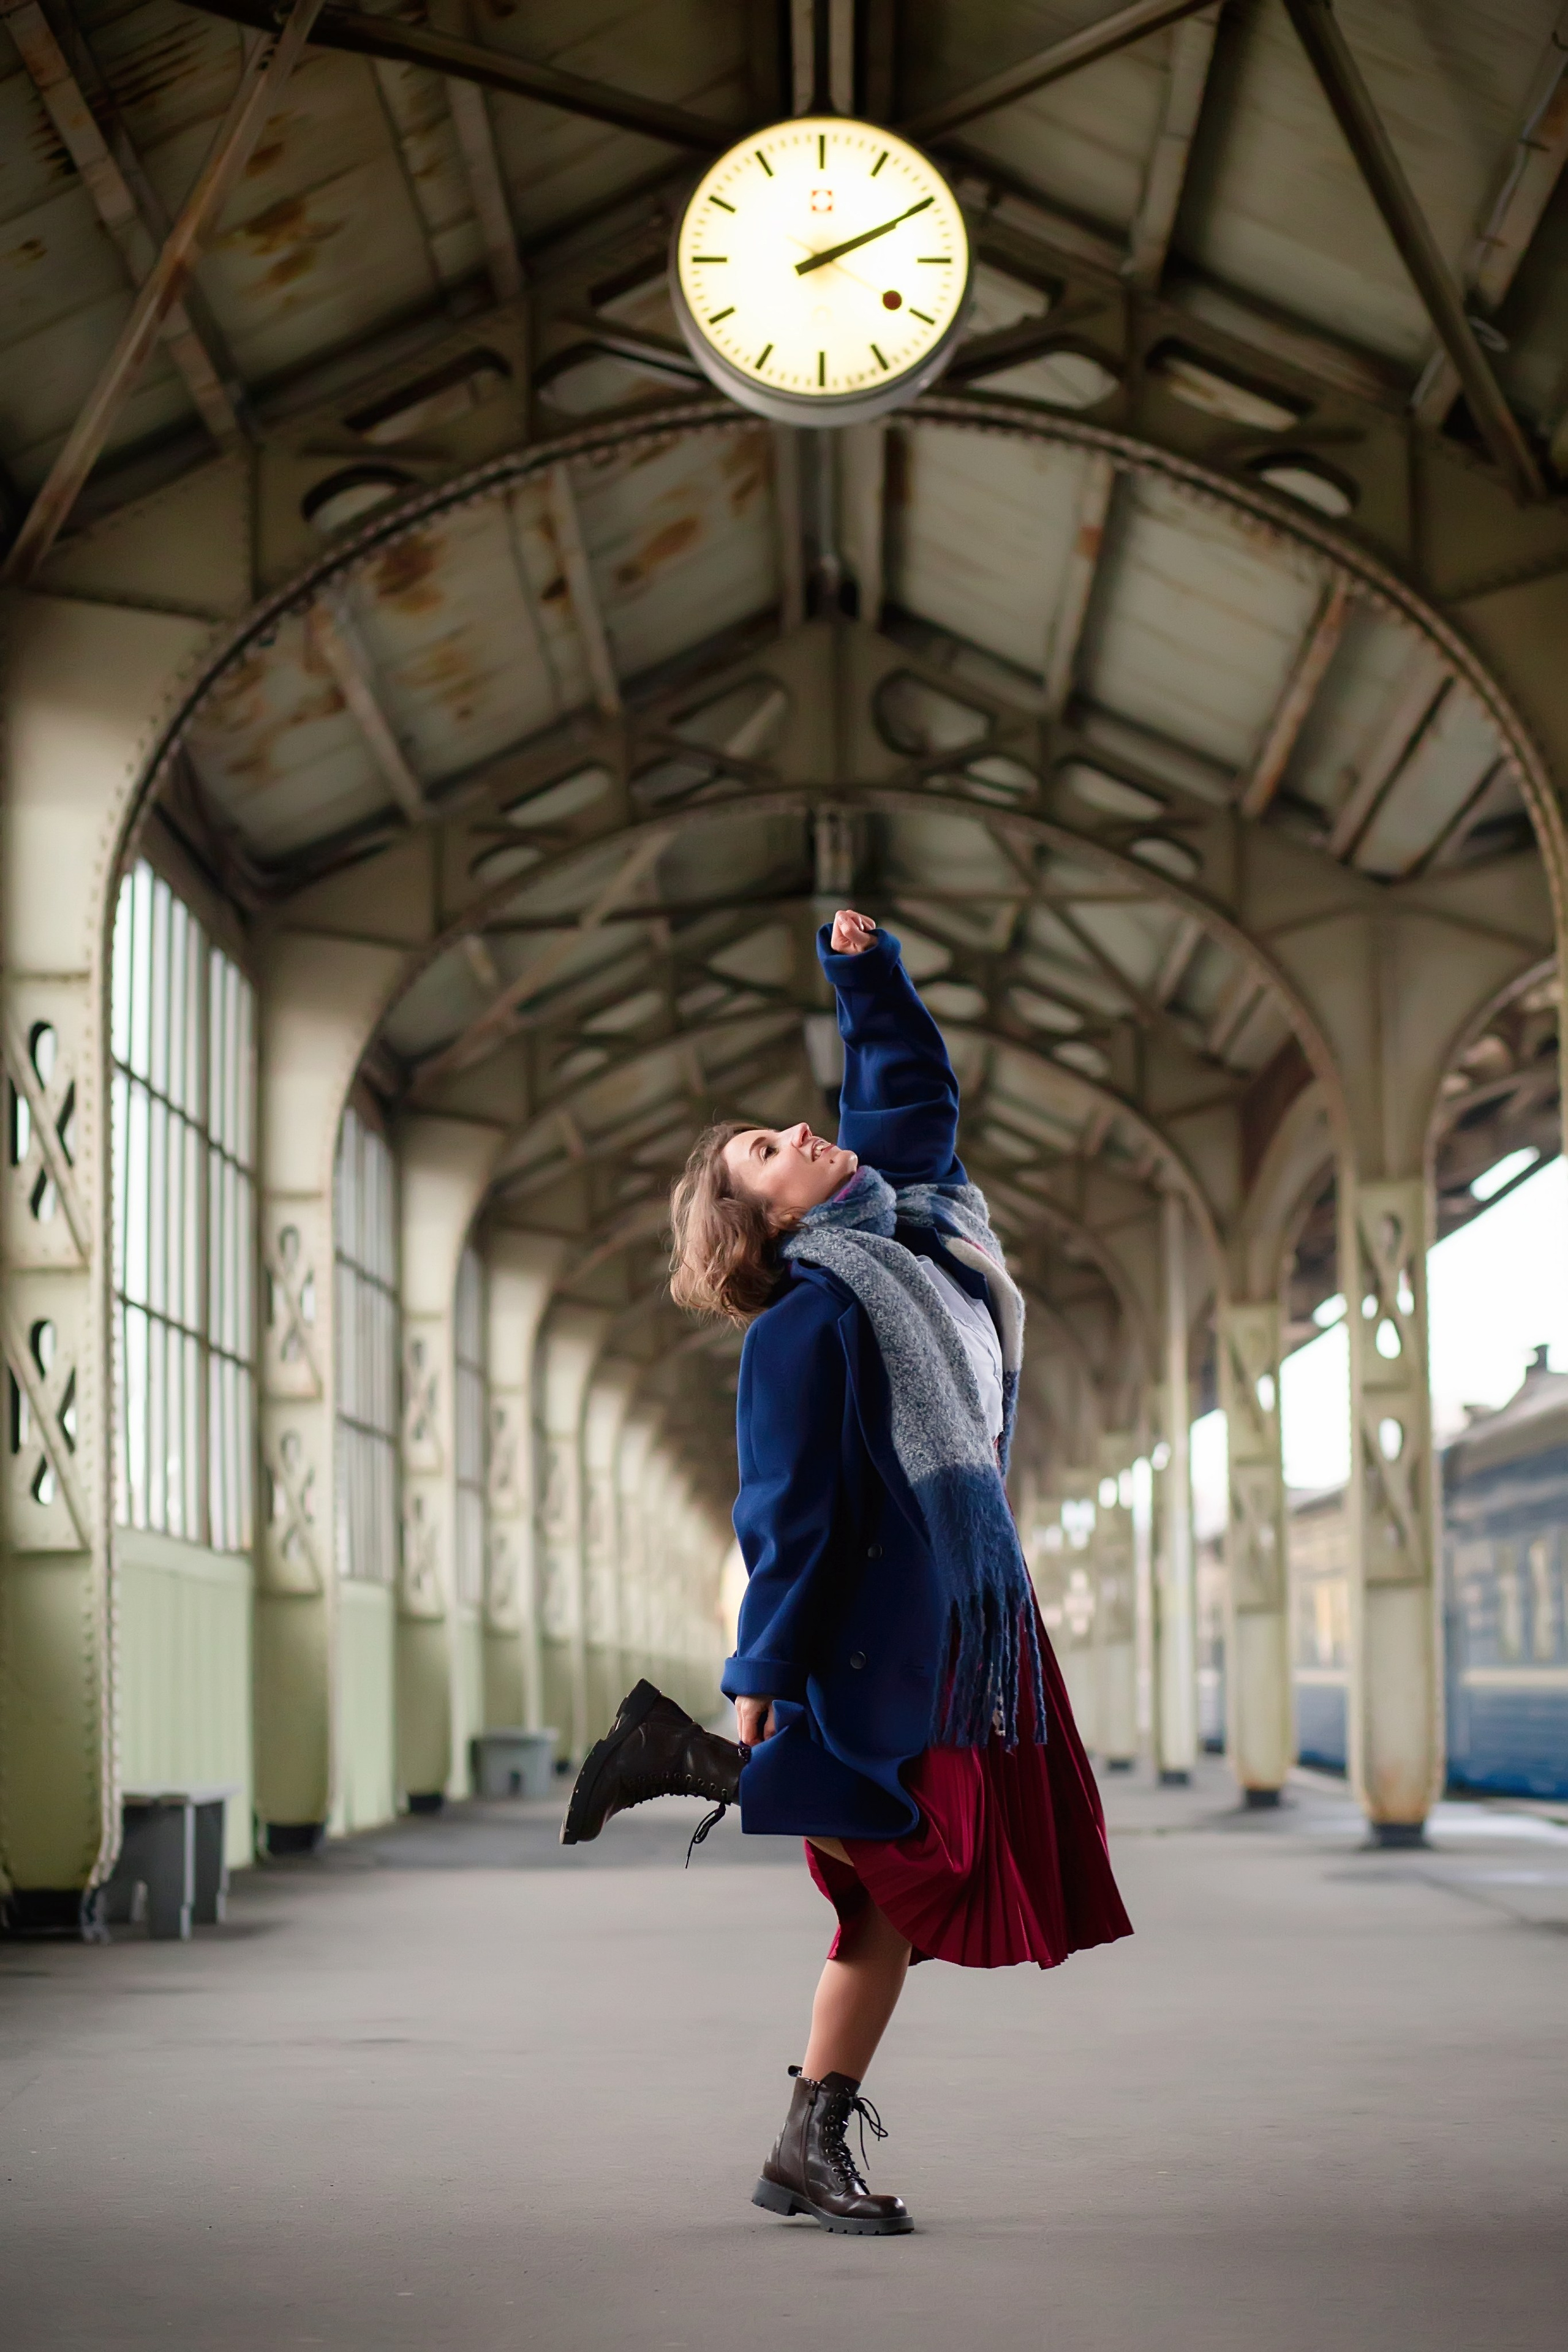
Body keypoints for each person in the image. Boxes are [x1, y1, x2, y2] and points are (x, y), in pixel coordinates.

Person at [562, 908, 1132, 2234]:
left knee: (886, 1904)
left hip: (952, 1628)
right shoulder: (810, 1322)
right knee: (923, 1858)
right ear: (755, 1218)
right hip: (879, 1642)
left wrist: (862, 977)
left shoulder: (919, 1235)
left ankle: (802, 2142)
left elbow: (909, 1094)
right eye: (769, 1152)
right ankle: (696, 1756)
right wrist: (756, 1682)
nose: (800, 1135)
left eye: (790, 1126)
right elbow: (787, 1520)